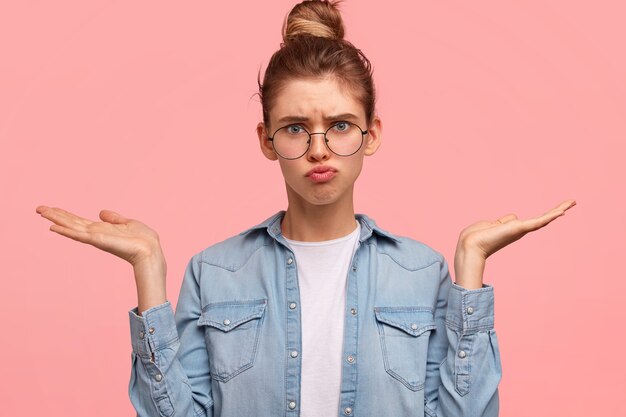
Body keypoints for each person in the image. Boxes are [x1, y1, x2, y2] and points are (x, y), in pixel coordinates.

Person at [35, 1, 575, 416]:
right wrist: (149, 271)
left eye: (339, 125)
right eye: (296, 128)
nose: (318, 149)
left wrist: (470, 273)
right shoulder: (215, 272)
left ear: (372, 134)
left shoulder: (423, 272)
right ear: (267, 140)